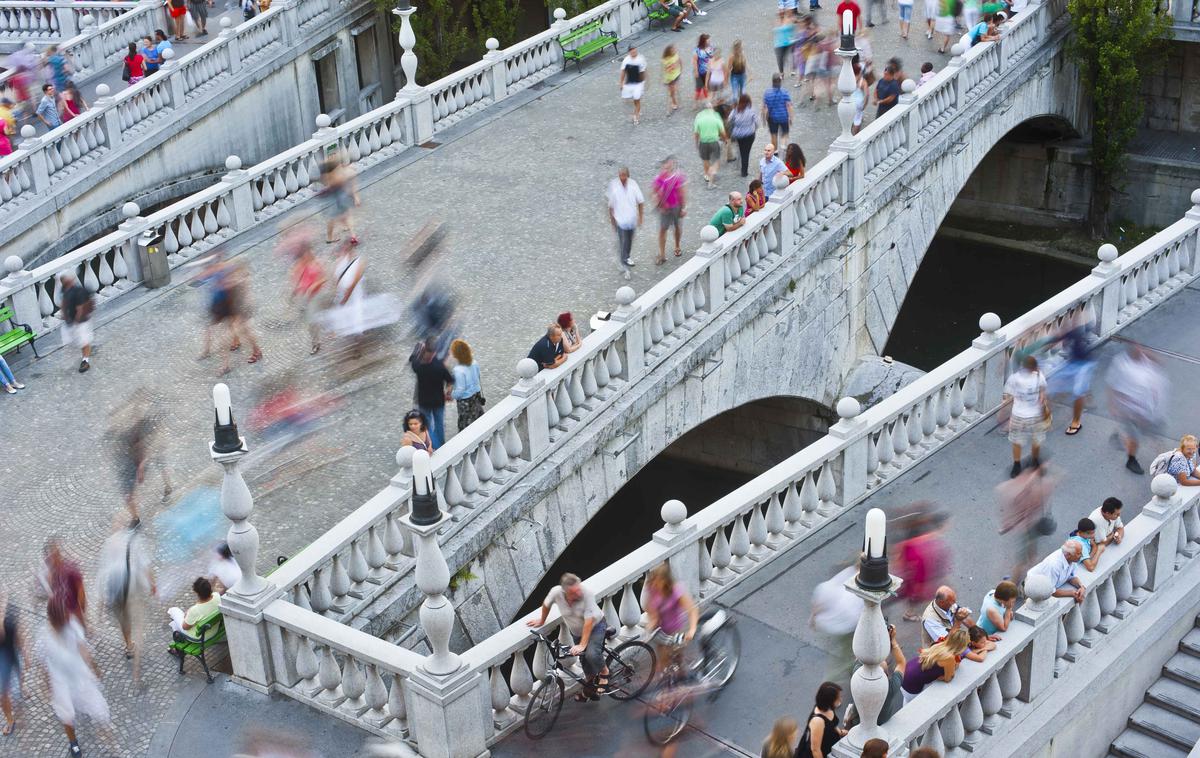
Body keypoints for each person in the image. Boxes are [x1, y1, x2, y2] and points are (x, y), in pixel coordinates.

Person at [41, 597, 112, 757]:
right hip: (60, 681)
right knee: (67, 714)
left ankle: (108, 742)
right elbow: (44, 664)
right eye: (64, 617)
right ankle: (73, 742)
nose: (67, 618)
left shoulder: (71, 625)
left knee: (98, 709)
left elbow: (82, 648)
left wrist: (94, 667)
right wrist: (47, 685)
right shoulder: (45, 637)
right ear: (54, 619)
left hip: (78, 675)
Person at [526, 574, 609, 698]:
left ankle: (605, 673)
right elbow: (546, 604)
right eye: (575, 592)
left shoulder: (587, 594)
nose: (579, 593)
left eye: (579, 588)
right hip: (576, 632)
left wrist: (582, 645)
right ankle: (590, 688)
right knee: (584, 660)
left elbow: (589, 621)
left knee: (591, 653)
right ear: (565, 592)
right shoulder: (556, 592)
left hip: (596, 627)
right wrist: (542, 620)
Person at [97, 520, 155, 686]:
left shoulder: (111, 541)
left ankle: (128, 644)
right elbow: (145, 565)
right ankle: (136, 669)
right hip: (130, 586)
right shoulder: (136, 541)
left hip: (113, 586)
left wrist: (100, 604)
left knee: (123, 619)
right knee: (136, 620)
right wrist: (152, 584)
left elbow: (103, 569)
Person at [1108, 345, 1167, 474]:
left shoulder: (1146, 361)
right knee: (1135, 438)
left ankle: (1120, 433)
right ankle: (1131, 460)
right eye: (1137, 349)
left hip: (1150, 411)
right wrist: (1117, 407)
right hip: (1132, 411)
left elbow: (1161, 364)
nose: (1141, 351)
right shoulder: (1122, 366)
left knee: (1154, 435)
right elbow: (1114, 388)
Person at [643, 563, 699, 672]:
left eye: (658, 581)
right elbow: (650, 609)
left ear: (666, 581)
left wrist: (692, 630)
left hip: (675, 629)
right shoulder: (652, 589)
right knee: (663, 658)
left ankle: (681, 673)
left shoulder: (676, 592)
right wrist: (652, 623)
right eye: (654, 581)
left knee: (674, 656)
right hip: (661, 629)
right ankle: (671, 673)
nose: (655, 584)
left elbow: (692, 611)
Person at [896, 510, 948, 622]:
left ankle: (911, 612)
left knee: (913, 597)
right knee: (915, 598)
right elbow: (921, 567)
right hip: (918, 581)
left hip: (912, 578)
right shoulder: (927, 543)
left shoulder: (915, 541)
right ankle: (910, 614)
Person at [811, 564, 860, 681]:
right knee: (846, 653)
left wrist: (812, 619)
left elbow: (819, 604)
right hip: (847, 625)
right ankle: (831, 680)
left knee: (846, 650)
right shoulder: (856, 578)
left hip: (837, 625)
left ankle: (850, 667)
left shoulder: (827, 586)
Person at [1004, 355, 1050, 477]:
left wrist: (1005, 416)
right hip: (1035, 415)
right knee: (1036, 439)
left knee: (1017, 441)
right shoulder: (1039, 376)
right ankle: (1034, 460)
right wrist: (1042, 398)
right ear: (1034, 367)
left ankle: (1017, 465)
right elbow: (1043, 392)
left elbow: (1008, 397)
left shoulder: (1014, 378)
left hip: (1018, 415)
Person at [901, 627, 969, 703]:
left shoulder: (940, 644)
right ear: (962, 646)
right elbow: (948, 678)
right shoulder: (949, 657)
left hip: (905, 675)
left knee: (907, 702)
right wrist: (941, 676)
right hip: (912, 686)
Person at [409, 339, 453, 449]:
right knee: (439, 425)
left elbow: (412, 358)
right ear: (434, 352)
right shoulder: (439, 366)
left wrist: (418, 347)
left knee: (427, 426)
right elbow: (450, 380)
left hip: (424, 402)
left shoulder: (418, 366)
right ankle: (441, 445)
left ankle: (437, 446)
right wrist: (448, 392)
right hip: (438, 401)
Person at [38, 539, 87, 632]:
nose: (48, 560)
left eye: (52, 556)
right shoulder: (51, 572)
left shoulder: (71, 570)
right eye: (47, 558)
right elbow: (51, 592)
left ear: (57, 554)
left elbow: (81, 593)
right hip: (60, 617)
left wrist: (81, 614)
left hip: (73, 613)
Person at [607, 167, 644, 279]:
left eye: (624, 175)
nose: (622, 178)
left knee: (629, 241)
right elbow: (611, 205)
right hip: (620, 220)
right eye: (620, 175)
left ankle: (625, 257)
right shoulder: (614, 186)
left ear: (628, 176)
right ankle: (625, 265)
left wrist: (640, 217)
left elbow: (640, 201)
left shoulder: (633, 185)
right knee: (624, 241)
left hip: (631, 219)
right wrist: (612, 220)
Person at [795, 681, 846, 758]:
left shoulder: (828, 708)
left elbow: (832, 723)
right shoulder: (817, 721)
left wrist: (840, 732)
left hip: (830, 745)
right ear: (830, 700)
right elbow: (815, 750)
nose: (840, 700)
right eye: (838, 698)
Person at [652, 157, 687, 263]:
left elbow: (682, 193)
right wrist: (659, 204)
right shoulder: (659, 178)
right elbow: (654, 193)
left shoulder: (678, 177)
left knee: (677, 226)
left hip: (676, 206)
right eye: (666, 165)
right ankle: (662, 254)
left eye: (670, 164)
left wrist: (683, 207)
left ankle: (677, 246)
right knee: (663, 229)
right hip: (664, 208)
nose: (667, 167)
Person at [319, 155, 360, 245]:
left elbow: (326, 183)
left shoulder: (328, 173)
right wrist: (355, 196)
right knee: (342, 215)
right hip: (338, 195)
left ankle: (350, 235)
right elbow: (351, 185)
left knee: (338, 216)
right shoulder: (344, 172)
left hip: (334, 196)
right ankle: (351, 235)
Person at [58, 271, 93, 373]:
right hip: (72, 320)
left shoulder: (78, 291)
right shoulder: (65, 290)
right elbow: (64, 303)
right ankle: (83, 358)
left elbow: (80, 308)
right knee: (79, 340)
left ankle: (85, 361)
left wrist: (76, 323)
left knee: (84, 340)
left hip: (81, 320)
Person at [0, 598, 25, 737]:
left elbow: (18, 636)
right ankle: (10, 720)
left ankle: (21, 688)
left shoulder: (9, 614)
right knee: (3, 695)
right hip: (2, 657)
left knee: (19, 674)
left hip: (12, 652)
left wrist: (25, 653)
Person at [449, 338, 484, 432]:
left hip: (466, 401)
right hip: (476, 396)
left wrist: (452, 395)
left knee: (466, 425)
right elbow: (478, 377)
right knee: (478, 420)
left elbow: (460, 389)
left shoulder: (458, 370)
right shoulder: (474, 363)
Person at [693, 101, 725, 186]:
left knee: (705, 159)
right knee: (716, 160)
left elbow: (696, 132)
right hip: (714, 141)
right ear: (711, 108)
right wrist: (725, 139)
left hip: (703, 142)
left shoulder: (698, 116)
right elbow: (722, 131)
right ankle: (712, 172)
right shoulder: (716, 115)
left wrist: (696, 143)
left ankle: (707, 174)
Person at [727, 94, 759, 179]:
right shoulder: (751, 110)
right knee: (746, 152)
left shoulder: (735, 110)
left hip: (739, 135)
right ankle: (744, 171)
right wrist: (754, 128)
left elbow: (729, 119)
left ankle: (740, 164)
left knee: (742, 150)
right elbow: (757, 122)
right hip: (750, 134)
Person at [762, 73, 792, 149]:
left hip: (772, 118)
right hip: (784, 117)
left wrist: (764, 120)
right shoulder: (785, 92)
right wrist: (791, 117)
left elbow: (764, 108)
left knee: (773, 134)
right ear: (780, 82)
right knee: (785, 133)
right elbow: (789, 106)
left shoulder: (767, 93)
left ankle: (775, 151)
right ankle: (783, 145)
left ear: (772, 81)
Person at [618, 45, 646, 124]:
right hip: (629, 84)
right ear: (629, 52)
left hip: (638, 83)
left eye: (635, 50)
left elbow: (643, 72)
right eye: (632, 51)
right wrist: (621, 82)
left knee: (637, 100)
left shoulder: (640, 59)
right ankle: (636, 111)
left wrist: (643, 84)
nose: (634, 52)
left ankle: (636, 117)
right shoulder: (626, 60)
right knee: (632, 100)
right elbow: (623, 71)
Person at [692, 34, 712, 104]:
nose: (709, 42)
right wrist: (696, 71)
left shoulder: (710, 48)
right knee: (699, 88)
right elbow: (694, 61)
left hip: (708, 71)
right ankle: (695, 101)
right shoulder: (697, 50)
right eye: (708, 41)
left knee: (707, 87)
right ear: (703, 41)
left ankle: (708, 102)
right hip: (700, 72)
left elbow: (712, 58)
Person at [662, 44, 682, 111]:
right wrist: (672, 66)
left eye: (674, 49)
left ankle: (674, 99)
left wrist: (680, 67)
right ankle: (674, 103)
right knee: (672, 91)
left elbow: (679, 60)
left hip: (676, 74)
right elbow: (666, 70)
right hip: (670, 77)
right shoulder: (665, 59)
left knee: (675, 89)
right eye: (673, 50)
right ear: (669, 51)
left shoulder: (676, 55)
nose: (675, 50)